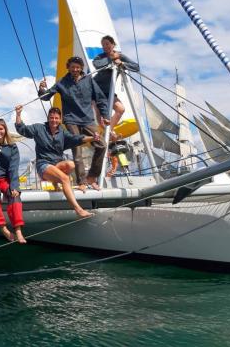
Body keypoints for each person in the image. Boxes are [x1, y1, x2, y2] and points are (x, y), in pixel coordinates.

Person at [15, 105, 99, 218]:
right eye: (51, 118)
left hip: (57, 164)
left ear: (60, 119)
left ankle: (55, 183)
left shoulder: (62, 132)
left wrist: (92, 138)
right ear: (48, 118)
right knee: (65, 178)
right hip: (43, 165)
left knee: (71, 164)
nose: (54, 120)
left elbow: (77, 139)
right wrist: (18, 114)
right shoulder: (39, 128)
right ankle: (78, 209)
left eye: (56, 118)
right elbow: (22, 129)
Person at [38, 56, 108, 190]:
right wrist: (42, 89)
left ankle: (92, 177)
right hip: (71, 120)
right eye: (72, 67)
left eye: (77, 67)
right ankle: (81, 182)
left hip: (87, 119)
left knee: (102, 145)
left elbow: (100, 98)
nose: (75, 69)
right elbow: (46, 97)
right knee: (77, 152)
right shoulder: (62, 83)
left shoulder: (89, 80)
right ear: (68, 68)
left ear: (81, 68)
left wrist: (104, 115)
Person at [92, 35, 140, 131]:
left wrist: (122, 63)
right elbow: (96, 64)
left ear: (113, 44)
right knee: (100, 118)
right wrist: (112, 58)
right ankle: (107, 134)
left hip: (109, 91)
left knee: (120, 109)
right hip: (96, 89)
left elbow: (136, 67)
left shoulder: (120, 56)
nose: (105, 46)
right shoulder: (100, 57)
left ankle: (109, 131)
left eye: (107, 44)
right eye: (103, 45)